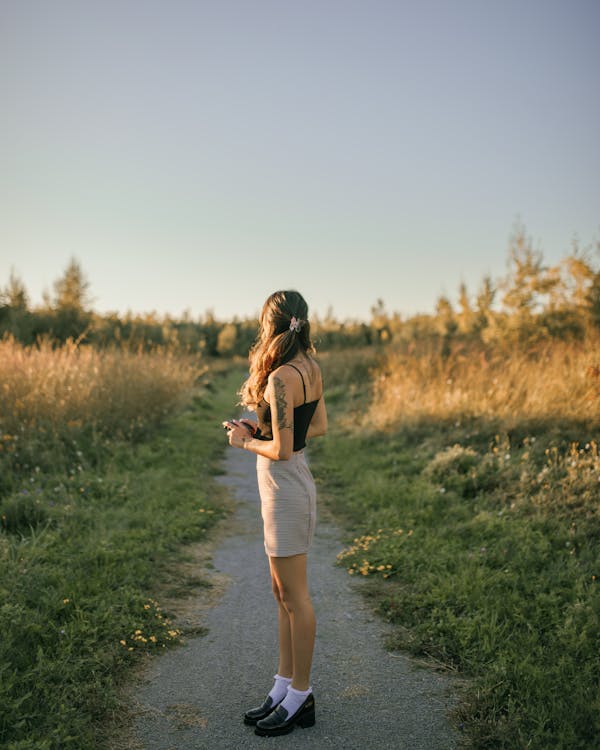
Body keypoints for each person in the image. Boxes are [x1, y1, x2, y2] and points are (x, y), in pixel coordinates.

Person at [223, 290, 328, 737]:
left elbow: (282, 451)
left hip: (286, 489)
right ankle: (283, 685)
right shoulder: (309, 367)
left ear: (272, 324)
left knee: (295, 597)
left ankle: (302, 696)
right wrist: (260, 424)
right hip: (287, 486)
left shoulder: (282, 376)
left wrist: (245, 441)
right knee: (281, 592)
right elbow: (316, 426)